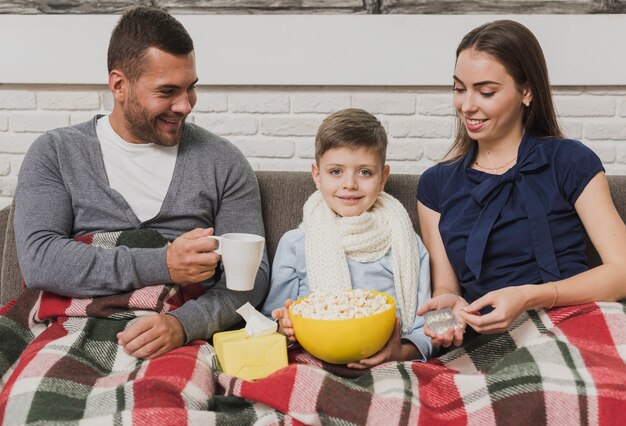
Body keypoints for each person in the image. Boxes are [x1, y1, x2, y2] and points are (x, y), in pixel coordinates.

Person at [13, 6, 269, 359]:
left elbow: (251, 277)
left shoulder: (222, 162)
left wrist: (184, 324)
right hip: (71, 327)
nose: (185, 106)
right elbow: (40, 260)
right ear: (119, 85)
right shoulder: (56, 153)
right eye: (167, 92)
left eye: (190, 89)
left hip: (175, 330)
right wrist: (163, 263)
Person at [416, 20, 626, 348]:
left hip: (575, 325)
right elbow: (446, 289)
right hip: (488, 344)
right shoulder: (436, 185)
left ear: (526, 91)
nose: (467, 105)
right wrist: (445, 312)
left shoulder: (569, 161)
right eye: (459, 89)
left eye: (486, 92)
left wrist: (528, 297)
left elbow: (622, 271)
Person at [263, 108, 433, 367]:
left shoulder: (407, 244)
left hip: (388, 362)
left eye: (365, 172)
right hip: (314, 358)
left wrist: (399, 353)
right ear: (317, 176)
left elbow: (426, 330)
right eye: (335, 172)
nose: (350, 184)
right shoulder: (296, 244)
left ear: (383, 177)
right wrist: (282, 327)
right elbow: (272, 319)